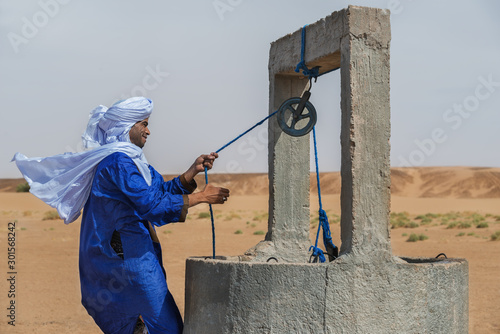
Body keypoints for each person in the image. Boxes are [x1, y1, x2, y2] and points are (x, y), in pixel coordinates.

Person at [13, 97, 230, 334]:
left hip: (135, 254)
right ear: (126, 127)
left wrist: (191, 172)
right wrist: (201, 197)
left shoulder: (133, 162)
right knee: (167, 328)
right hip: (127, 260)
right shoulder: (118, 162)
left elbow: (157, 192)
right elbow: (151, 205)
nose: (148, 131)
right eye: (144, 124)